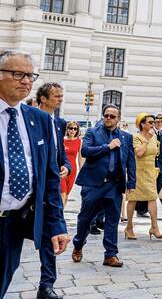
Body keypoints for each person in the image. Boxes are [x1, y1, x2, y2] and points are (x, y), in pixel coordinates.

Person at [0, 50, 70, 298]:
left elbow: (50, 177)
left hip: (13, 223)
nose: (26, 81)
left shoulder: (38, 119)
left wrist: (57, 224)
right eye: (18, 74)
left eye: (30, 75)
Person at [71, 104, 136, 268]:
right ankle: (78, 244)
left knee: (112, 221)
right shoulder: (93, 132)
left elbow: (130, 161)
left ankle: (110, 254)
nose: (108, 118)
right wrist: (107, 147)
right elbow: (85, 151)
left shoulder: (126, 137)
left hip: (114, 185)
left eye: (112, 116)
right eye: (106, 115)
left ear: (118, 119)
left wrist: (132, 182)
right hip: (93, 184)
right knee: (85, 218)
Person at [34, 83, 71, 299]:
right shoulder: (33, 120)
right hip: (33, 191)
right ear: (43, 98)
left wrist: (66, 165)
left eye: (62, 96)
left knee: (52, 238)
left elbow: (60, 153)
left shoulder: (58, 123)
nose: (60, 99)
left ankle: (46, 286)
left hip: (51, 190)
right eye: (56, 96)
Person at [124, 113, 162, 241]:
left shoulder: (154, 136)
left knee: (153, 197)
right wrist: (147, 138)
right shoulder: (136, 137)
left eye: (154, 122)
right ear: (142, 124)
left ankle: (154, 227)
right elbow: (139, 153)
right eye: (150, 122)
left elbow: (156, 153)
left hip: (150, 172)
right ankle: (129, 227)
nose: (153, 124)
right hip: (137, 171)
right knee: (133, 198)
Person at [61, 122, 82, 205]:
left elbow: (80, 158)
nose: (73, 130)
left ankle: (61, 213)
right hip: (62, 169)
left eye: (75, 129)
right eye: (71, 128)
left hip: (73, 170)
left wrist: (81, 170)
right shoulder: (62, 140)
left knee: (66, 195)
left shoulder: (79, 141)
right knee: (62, 192)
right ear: (67, 129)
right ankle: (59, 216)